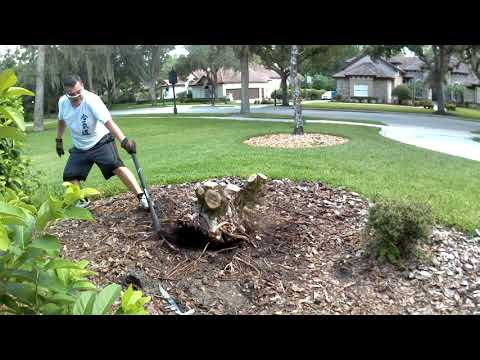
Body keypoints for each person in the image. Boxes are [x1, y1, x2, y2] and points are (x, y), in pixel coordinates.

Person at [55, 74, 148, 210]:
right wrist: (58, 140)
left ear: (83, 86)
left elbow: (108, 122)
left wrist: (124, 140)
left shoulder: (92, 100)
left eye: (79, 92)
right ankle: (82, 201)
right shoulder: (62, 102)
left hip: (100, 142)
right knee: (69, 175)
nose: (76, 97)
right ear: (66, 92)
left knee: (115, 165)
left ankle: (142, 197)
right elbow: (61, 120)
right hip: (80, 147)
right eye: (72, 94)